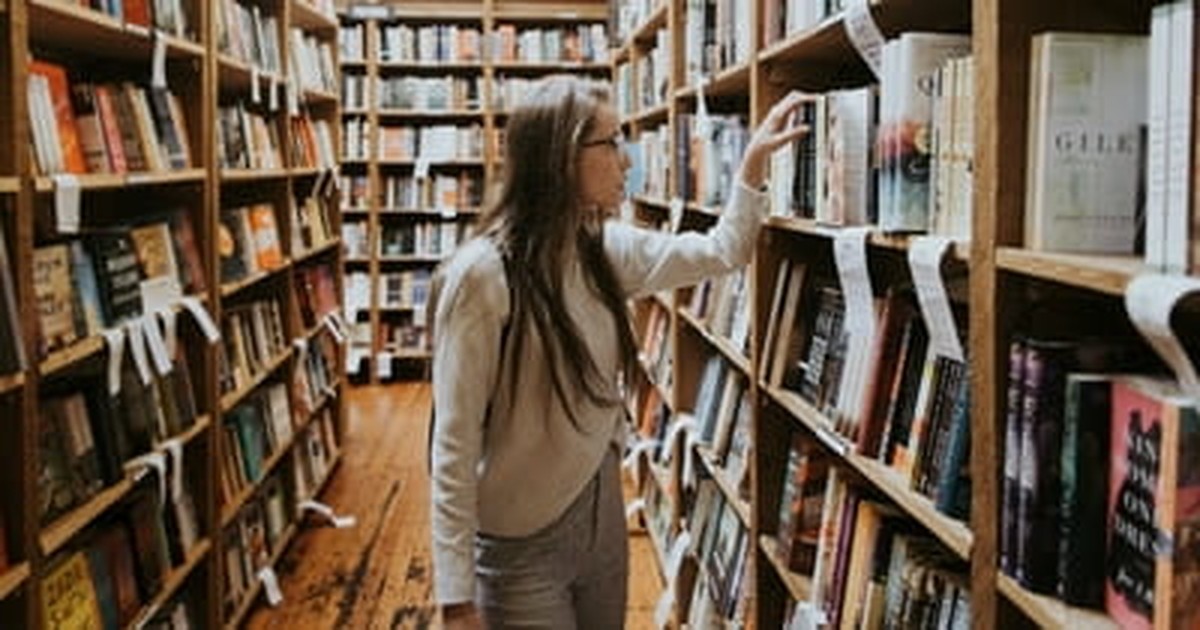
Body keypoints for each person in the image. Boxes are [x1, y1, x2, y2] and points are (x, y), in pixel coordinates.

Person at [429, 74, 809, 629]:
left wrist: (750, 169)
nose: (628, 161)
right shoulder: (483, 277)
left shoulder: (605, 249)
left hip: (600, 514)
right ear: (563, 158)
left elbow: (722, 251)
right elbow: (453, 442)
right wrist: (455, 596)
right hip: (520, 543)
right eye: (612, 144)